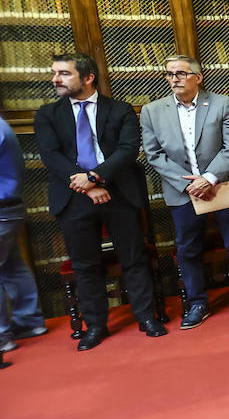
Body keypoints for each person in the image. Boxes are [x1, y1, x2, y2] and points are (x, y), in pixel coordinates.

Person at [34, 52, 164, 350]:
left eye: (64, 73)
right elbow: (51, 156)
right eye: (55, 73)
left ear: (88, 77)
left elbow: (128, 150)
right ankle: (95, 326)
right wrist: (87, 185)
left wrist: (95, 177)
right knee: (85, 265)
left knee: (133, 258)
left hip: (118, 193)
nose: (56, 79)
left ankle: (146, 317)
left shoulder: (120, 110)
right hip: (73, 197)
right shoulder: (47, 114)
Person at [139, 55, 229, 330]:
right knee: (188, 248)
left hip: (222, 184)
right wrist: (188, 184)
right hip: (183, 191)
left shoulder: (221, 103)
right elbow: (154, 154)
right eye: (170, 74)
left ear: (198, 77)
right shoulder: (152, 111)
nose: (174, 78)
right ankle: (197, 302)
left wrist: (208, 178)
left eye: (181, 73)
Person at [0, 115, 45, 353]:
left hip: (2, 209)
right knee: (12, 266)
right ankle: (29, 322)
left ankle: (1, 335)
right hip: (10, 208)